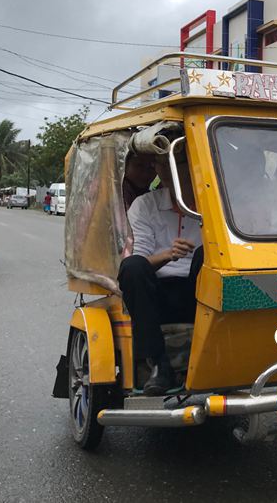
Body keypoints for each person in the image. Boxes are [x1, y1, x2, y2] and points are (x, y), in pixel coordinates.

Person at [117, 149, 202, 396]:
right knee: (132, 267)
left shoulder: (216, 203)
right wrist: (167, 255)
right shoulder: (145, 206)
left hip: (200, 289)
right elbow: (139, 258)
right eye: (166, 165)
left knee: (204, 256)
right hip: (156, 292)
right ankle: (158, 363)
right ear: (161, 170)